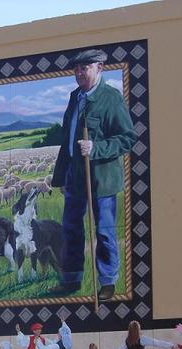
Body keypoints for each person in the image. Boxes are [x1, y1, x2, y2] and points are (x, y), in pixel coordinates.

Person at [50, 49, 138, 300]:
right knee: (71, 229)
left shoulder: (110, 98)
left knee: (104, 230)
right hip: (75, 177)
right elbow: (67, 140)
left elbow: (127, 138)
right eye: (76, 69)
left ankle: (108, 282)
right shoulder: (75, 97)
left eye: (85, 67)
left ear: (99, 67)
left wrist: (97, 148)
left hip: (102, 179)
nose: (79, 72)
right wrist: (62, 177)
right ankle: (71, 279)